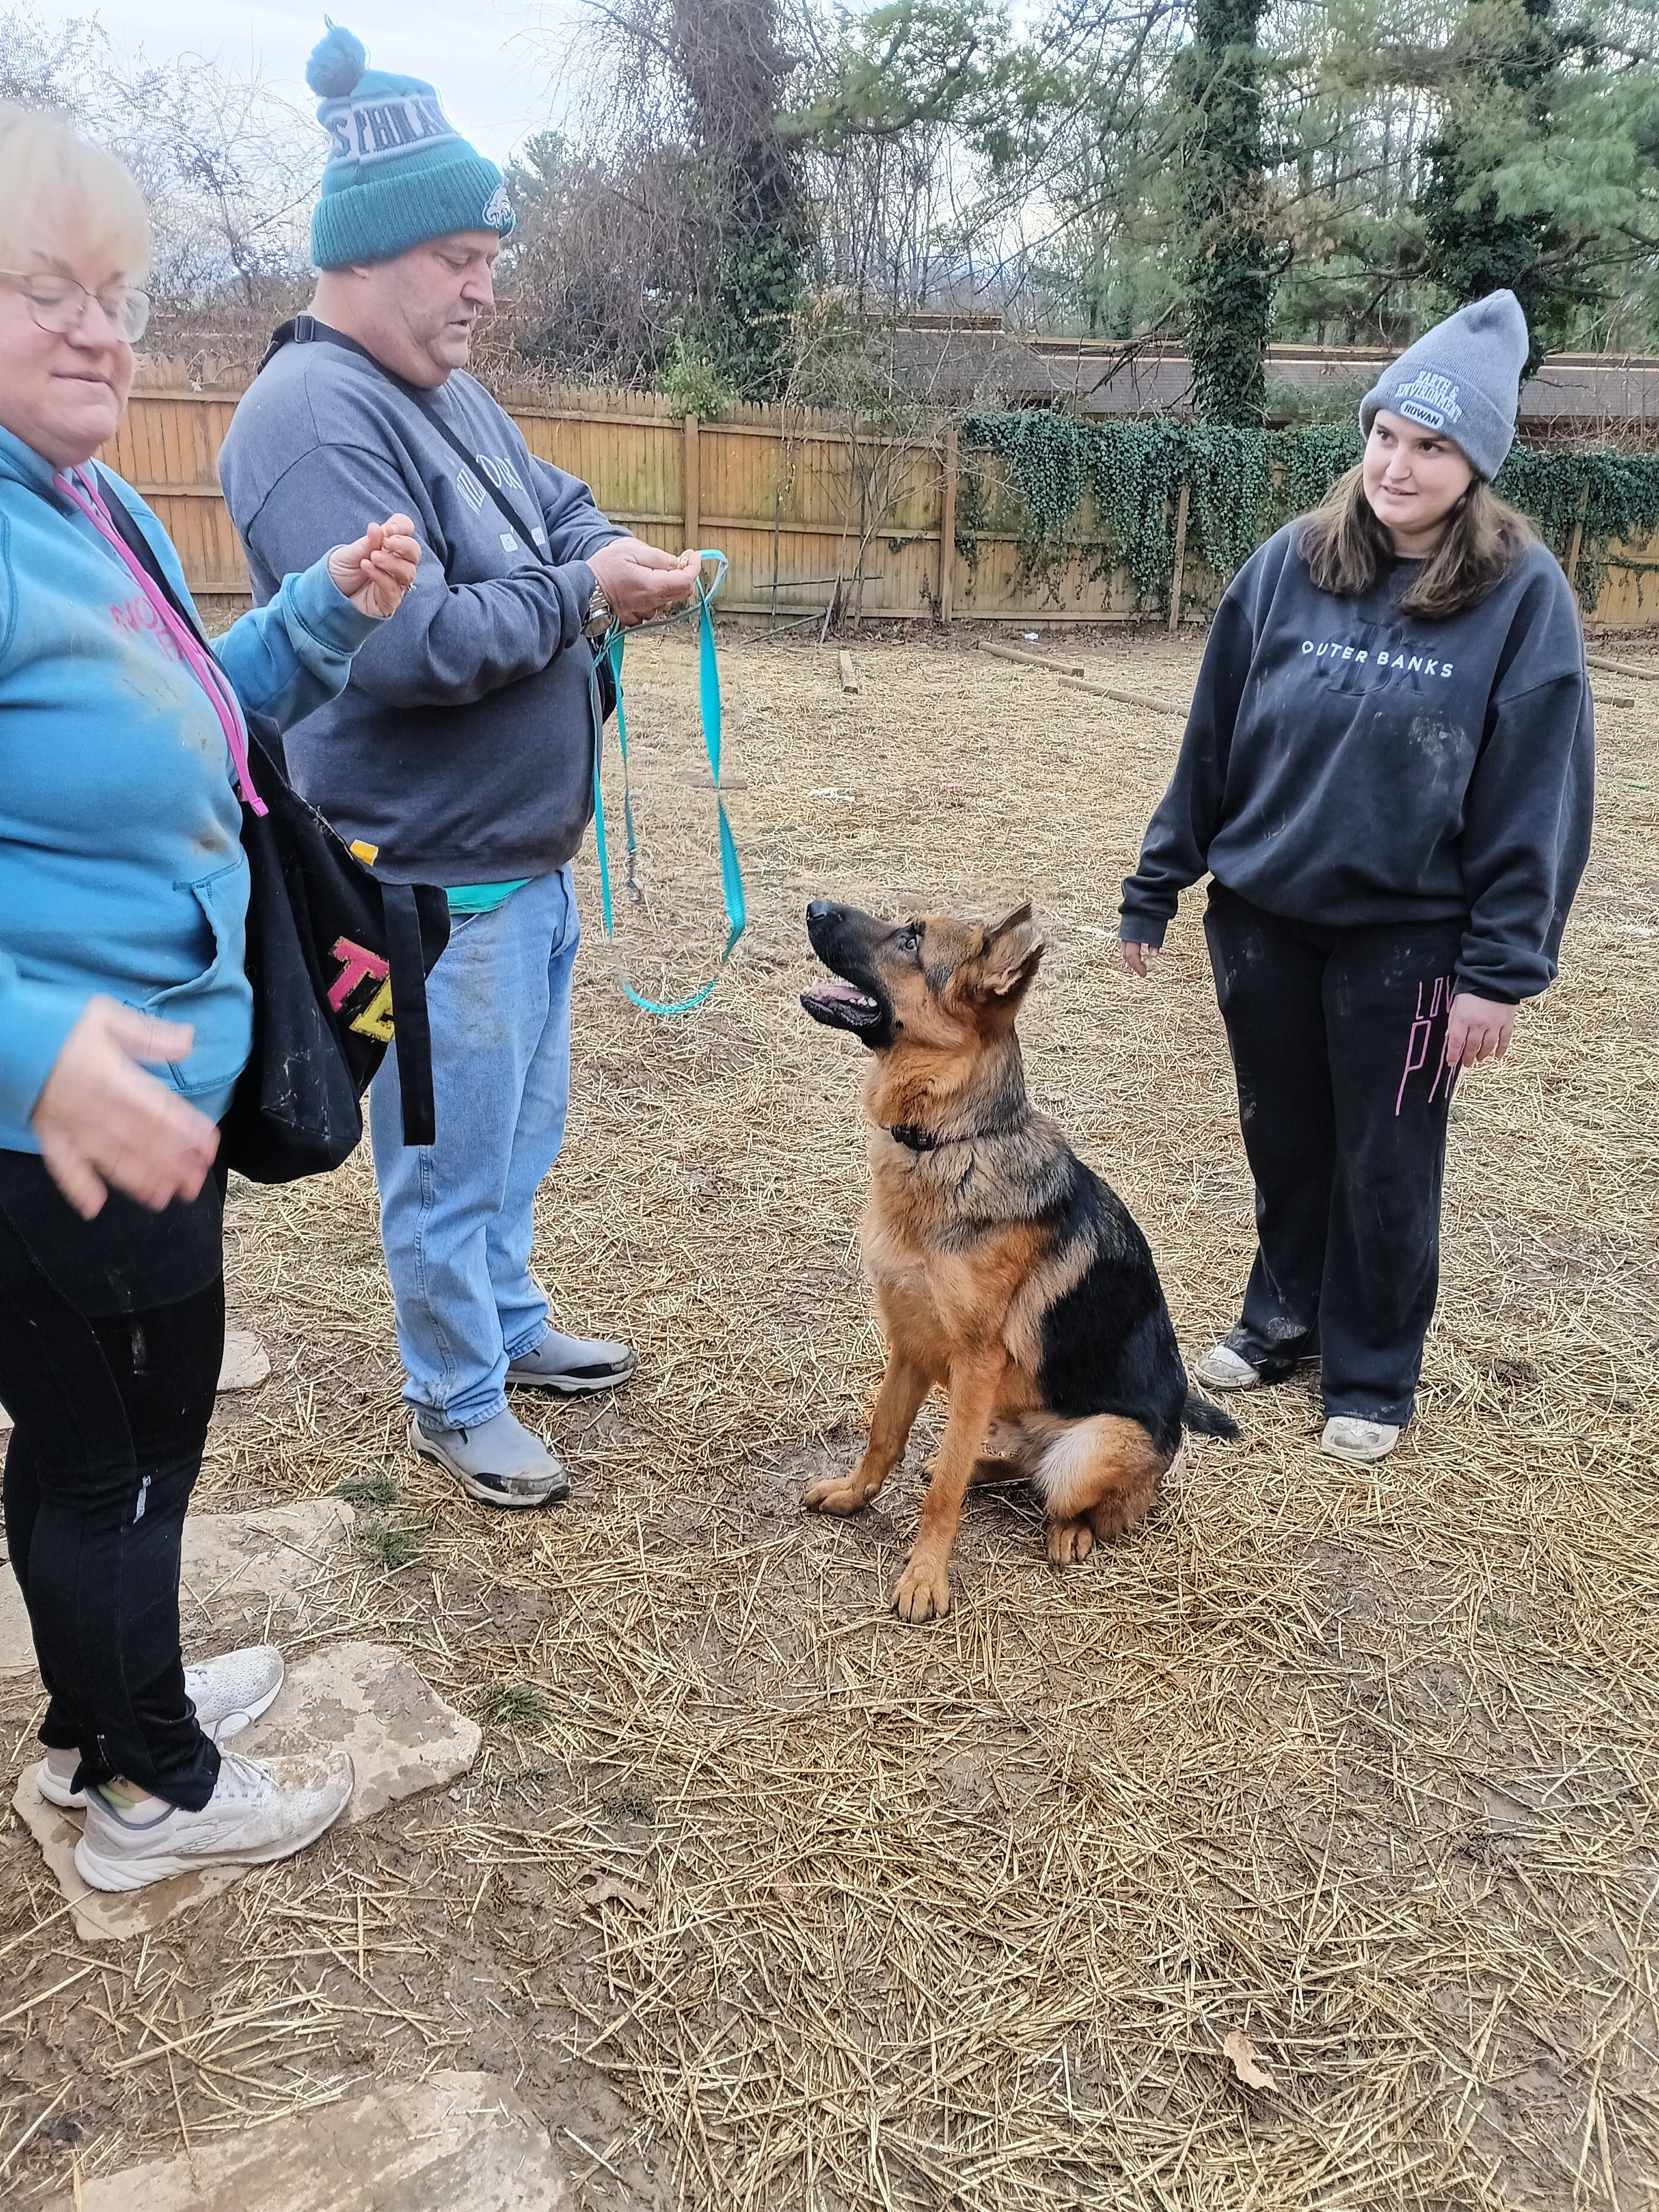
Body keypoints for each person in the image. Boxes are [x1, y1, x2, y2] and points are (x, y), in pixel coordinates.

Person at [0, 106, 423, 1891]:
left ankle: (104, 1713)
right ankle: (150, 1787)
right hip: (67, 1120)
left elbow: (186, 725)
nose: (106, 330)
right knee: (120, 1451)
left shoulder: (77, 505)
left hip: (153, 1077)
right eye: (48, 290)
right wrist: (29, 1048)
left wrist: (313, 618)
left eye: (117, 292)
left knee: (113, 1442)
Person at [220, 28, 702, 1513]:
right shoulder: (313, 417)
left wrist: (597, 550)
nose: (487, 288)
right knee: (440, 1150)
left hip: (520, 869)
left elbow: (555, 503)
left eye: (491, 252)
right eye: (459, 255)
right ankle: (456, 1392)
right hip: (416, 885)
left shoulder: (442, 386)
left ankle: (505, 1320)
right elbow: (407, 647)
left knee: (516, 1133)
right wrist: (585, 596)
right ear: (366, 258)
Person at [1118, 291, 1593, 1466]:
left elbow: (1537, 795)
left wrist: (1500, 974)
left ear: (1476, 463)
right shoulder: (1293, 560)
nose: (1398, 462)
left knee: (1386, 1156)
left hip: (1414, 939)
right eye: (1387, 433)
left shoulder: (1522, 598)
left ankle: (1374, 1368)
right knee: (1284, 1135)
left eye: (1433, 445)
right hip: (1265, 916)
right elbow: (1215, 732)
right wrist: (1158, 881)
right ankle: (1280, 1317)